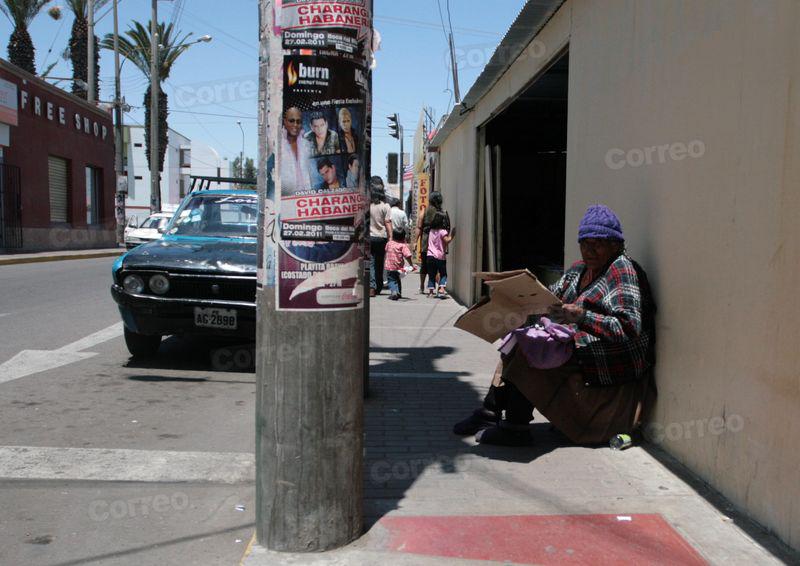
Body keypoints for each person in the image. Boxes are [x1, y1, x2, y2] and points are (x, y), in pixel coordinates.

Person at [453, 205, 657, 446]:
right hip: (580, 343)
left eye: (597, 244)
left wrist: (582, 316)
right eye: (584, 243)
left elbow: (629, 327)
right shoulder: (580, 269)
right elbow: (552, 295)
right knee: (519, 340)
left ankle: (515, 428)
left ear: (615, 245)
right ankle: (490, 413)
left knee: (532, 349)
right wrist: (523, 300)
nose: (589, 250)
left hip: (611, 357)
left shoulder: (622, 270)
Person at [414, 191, 449, 294]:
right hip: (439, 242)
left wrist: (416, 242)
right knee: (438, 266)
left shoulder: (424, 211)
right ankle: (439, 287)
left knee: (425, 265)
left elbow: (419, 227)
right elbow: (447, 227)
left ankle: (422, 286)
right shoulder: (443, 213)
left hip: (426, 241)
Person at [368, 178, 392, 297]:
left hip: (370, 238)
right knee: (379, 263)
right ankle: (379, 286)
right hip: (381, 238)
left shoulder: (368, 206)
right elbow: (387, 223)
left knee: (371, 262)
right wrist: (390, 238)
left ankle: (372, 287)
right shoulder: (386, 206)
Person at [280, 107, 311, 194]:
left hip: (307, 199)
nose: (295, 125)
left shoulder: (307, 145)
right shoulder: (278, 145)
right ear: (285, 121)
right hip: (286, 198)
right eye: (291, 121)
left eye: (299, 121)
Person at [425, 211, 455, 298]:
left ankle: (431, 292)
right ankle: (441, 289)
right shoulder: (442, 231)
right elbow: (447, 240)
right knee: (443, 274)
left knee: (431, 274)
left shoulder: (431, 231)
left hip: (430, 256)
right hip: (440, 257)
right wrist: (452, 234)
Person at [384, 228, 414, 300]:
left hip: (389, 266)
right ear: (403, 237)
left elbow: (386, 250)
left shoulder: (389, 243)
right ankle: (398, 293)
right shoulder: (402, 245)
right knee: (397, 279)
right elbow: (408, 256)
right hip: (398, 267)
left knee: (391, 280)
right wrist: (411, 265)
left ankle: (394, 291)